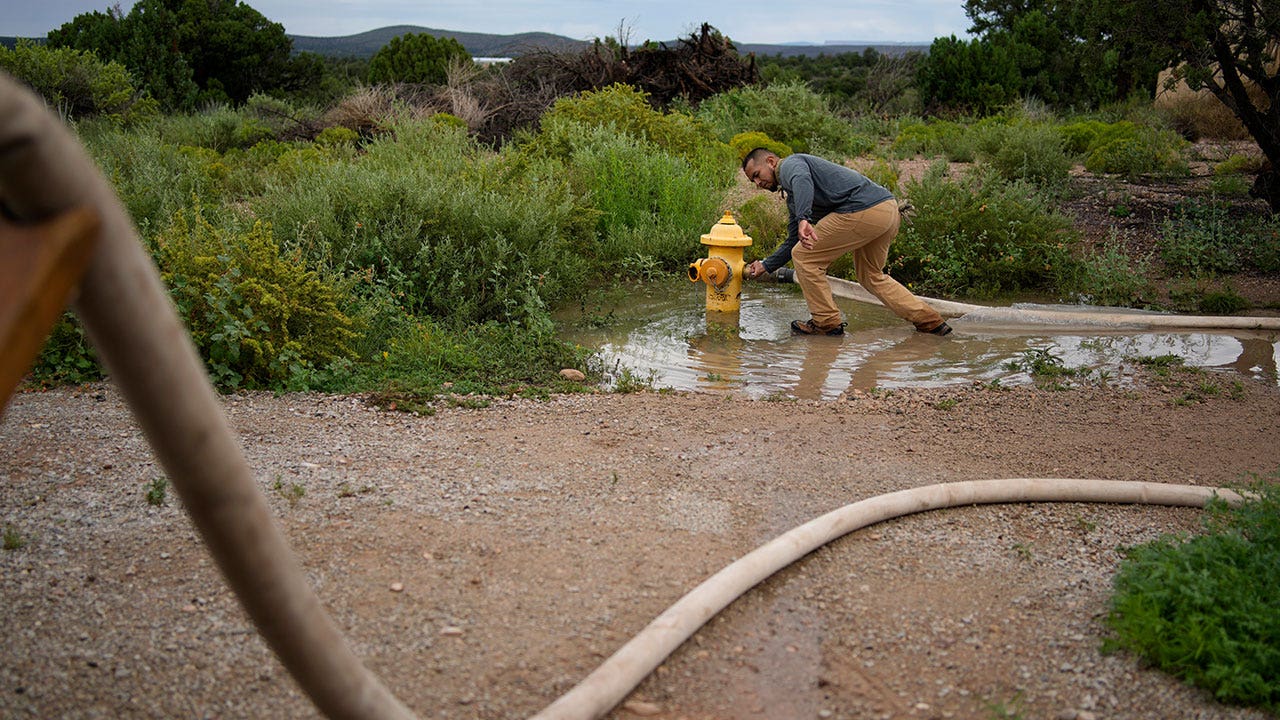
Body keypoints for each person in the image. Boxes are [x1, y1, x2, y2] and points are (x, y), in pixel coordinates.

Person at [741, 148, 952, 336]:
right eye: (753, 181)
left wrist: (803, 218)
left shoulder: (789, 165)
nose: (758, 183)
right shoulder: (794, 195)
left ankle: (826, 322)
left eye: (757, 175)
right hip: (887, 210)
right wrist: (766, 265)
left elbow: (801, 178)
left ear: (770, 161)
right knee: (870, 276)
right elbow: (793, 239)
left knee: (804, 256)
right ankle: (930, 321)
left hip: (863, 209)